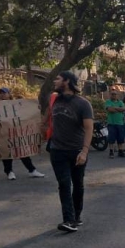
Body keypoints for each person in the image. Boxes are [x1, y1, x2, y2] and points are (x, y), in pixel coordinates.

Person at [48, 71, 93, 232]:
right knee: (64, 184)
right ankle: (69, 219)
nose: (55, 81)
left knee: (78, 184)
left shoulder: (83, 103)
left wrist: (84, 151)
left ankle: (76, 216)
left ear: (67, 81)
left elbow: (89, 129)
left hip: (77, 151)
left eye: (58, 79)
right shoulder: (54, 100)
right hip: (57, 150)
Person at [0, 88, 45, 180]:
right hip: (5, 133)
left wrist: (36, 108)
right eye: (0, 93)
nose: (2, 95)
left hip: (17, 132)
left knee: (22, 151)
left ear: (9, 94)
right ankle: (9, 172)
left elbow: (26, 114)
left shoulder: (17, 104)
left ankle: (32, 170)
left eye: (4, 93)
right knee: (6, 152)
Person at [105, 91, 125, 158]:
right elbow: (110, 110)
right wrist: (118, 109)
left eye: (115, 94)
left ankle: (120, 151)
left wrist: (115, 108)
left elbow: (123, 109)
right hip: (111, 123)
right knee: (111, 138)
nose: (114, 95)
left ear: (117, 95)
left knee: (120, 138)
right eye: (112, 94)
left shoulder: (120, 102)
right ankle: (111, 151)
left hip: (120, 123)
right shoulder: (108, 102)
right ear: (110, 95)